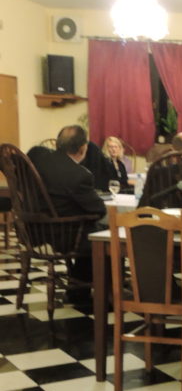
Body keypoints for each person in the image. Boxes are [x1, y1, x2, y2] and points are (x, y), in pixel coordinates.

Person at [34, 124, 107, 306]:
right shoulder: (79, 175)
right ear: (83, 148)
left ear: (57, 144)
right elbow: (99, 210)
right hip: (61, 235)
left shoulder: (36, 155)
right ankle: (106, 295)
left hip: (32, 231)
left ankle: (77, 289)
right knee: (105, 236)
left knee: (91, 230)